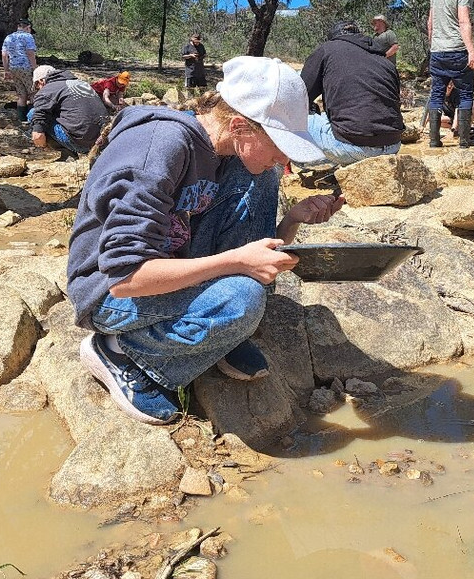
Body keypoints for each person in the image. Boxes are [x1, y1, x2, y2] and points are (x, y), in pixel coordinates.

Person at [68, 55, 344, 425]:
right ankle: (124, 353)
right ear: (239, 125)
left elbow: (250, 245)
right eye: (279, 143)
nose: (285, 158)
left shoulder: (224, 151)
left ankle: (220, 336)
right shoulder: (160, 146)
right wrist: (235, 264)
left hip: (170, 266)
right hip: (110, 292)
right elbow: (124, 279)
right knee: (242, 299)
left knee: (261, 177)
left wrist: (292, 220)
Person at [300, 19, 404, 165]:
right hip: (393, 144)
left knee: (283, 119)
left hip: (351, 146)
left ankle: (290, 170)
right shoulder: (384, 60)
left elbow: (299, 96)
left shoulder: (327, 49)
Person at [427, 0, 474, 148]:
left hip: (437, 51)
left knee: (436, 94)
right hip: (457, 50)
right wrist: (472, 51)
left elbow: (430, 23)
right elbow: (464, 21)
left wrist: (432, 46)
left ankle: (434, 141)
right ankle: (464, 142)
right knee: (466, 94)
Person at [29, 65, 111, 159]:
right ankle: (69, 152)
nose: (38, 90)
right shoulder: (81, 83)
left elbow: (39, 115)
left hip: (83, 144)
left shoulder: (48, 89)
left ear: (41, 81)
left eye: (36, 86)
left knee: (32, 113)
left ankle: (68, 153)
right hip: (103, 140)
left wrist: (38, 133)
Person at [2, 18, 37, 122]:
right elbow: (30, 53)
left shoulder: (9, 37)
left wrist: (6, 70)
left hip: (14, 68)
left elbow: (4, 55)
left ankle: (22, 119)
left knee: (21, 95)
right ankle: (33, 119)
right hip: (26, 67)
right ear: (28, 27)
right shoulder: (28, 36)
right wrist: (35, 67)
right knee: (33, 93)